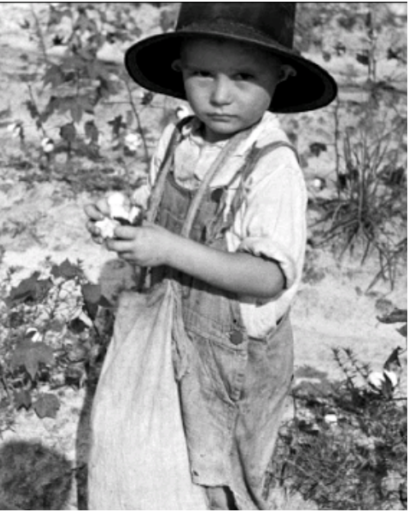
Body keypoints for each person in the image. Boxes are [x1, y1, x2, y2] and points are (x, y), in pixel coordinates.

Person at [85, 3, 337, 509]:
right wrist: (126, 220)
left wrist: (168, 248)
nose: (220, 96)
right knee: (152, 452)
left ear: (280, 76)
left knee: (221, 471)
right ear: (180, 69)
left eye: (244, 76)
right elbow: (163, 209)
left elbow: (268, 277)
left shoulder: (271, 167)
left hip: (233, 357)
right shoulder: (180, 136)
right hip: (168, 328)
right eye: (203, 73)